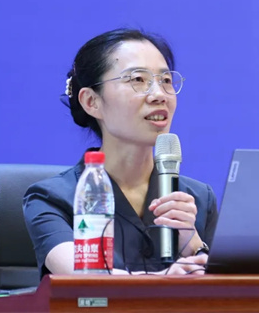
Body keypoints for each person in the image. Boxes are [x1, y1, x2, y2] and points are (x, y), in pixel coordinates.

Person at [23, 28, 218, 276]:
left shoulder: (198, 199)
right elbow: (83, 276)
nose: (159, 95)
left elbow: (228, 291)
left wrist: (195, 246)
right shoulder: (52, 198)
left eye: (166, 81)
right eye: (138, 80)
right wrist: (163, 280)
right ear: (91, 102)